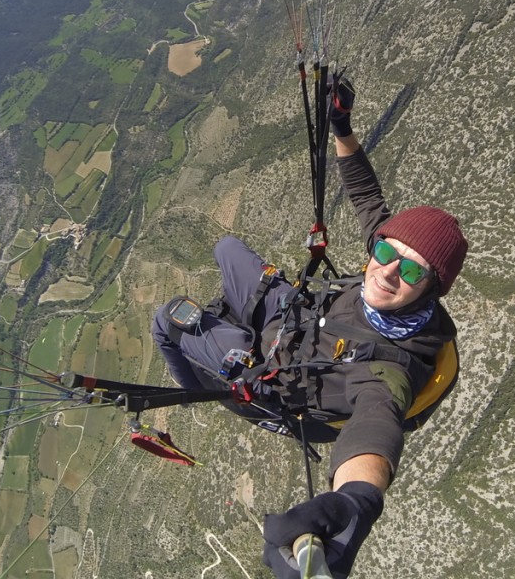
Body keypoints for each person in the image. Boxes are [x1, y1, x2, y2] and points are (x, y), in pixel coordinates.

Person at [151, 79, 468, 578]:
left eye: (411, 271)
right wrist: (341, 126)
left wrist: (353, 509)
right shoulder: (385, 260)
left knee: (167, 319)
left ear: (432, 289)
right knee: (227, 248)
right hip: (294, 316)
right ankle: (229, 326)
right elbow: (366, 194)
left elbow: (374, 434)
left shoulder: (387, 371)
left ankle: (202, 392)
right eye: (385, 254)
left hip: (277, 371)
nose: (387, 270)